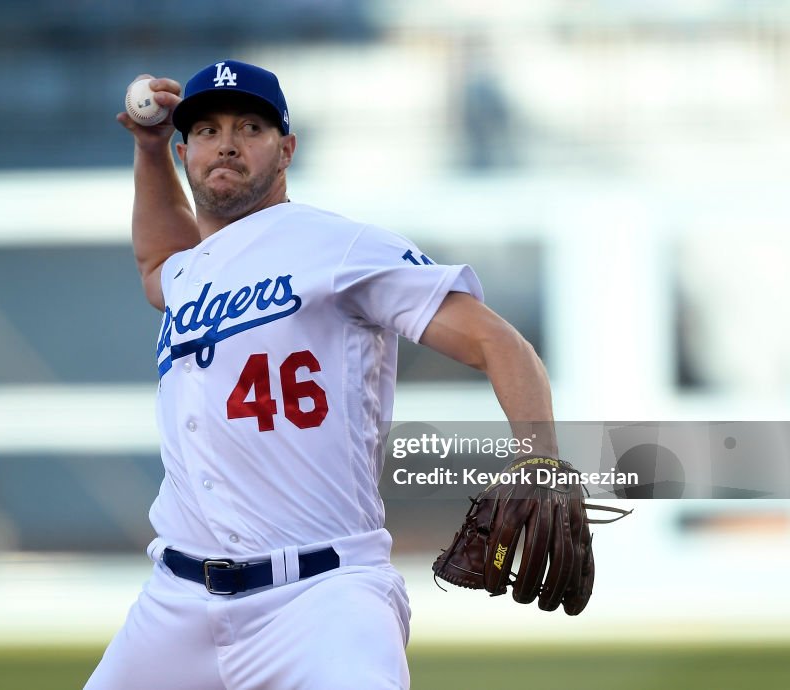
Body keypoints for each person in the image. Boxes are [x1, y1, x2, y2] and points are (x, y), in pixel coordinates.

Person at [85, 59, 558, 690]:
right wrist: (148, 154)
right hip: (176, 603)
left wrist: (540, 462)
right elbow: (158, 261)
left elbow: (497, 342)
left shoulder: (337, 247)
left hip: (322, 601)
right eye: (206, 130)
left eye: (250, 127)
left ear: (286, 150)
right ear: (186, 149)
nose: (226, 142)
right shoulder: (187, 272)